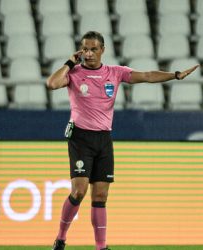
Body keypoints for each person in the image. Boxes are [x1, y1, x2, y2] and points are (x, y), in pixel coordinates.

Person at [46, 31, 199, 250]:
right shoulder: (74, 73)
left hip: (104, 138)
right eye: (85, 49)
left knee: (100, 195)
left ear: (103, 50)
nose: (88, 54)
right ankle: (60, 238)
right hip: (81, 137)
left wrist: (174, 75)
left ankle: (101, 247)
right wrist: (70, 62)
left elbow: (147, 76)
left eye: (93, 49)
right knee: (79, 191)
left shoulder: (114, 73)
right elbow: (51, 84)